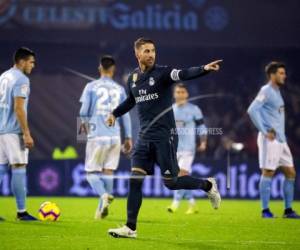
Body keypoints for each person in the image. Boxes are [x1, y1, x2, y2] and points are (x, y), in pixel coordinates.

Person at [107, 38, 222, 238]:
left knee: (171, 182)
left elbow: (184, 73)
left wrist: (203, 68)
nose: (151, 54)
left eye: (153, 51)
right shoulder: (132, 78)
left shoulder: (163, 73)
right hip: (144, 138)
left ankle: (207, 185)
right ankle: (130, 228)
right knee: (135, 179)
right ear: (137, 54)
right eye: (146, 51)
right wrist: (114, 113)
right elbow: (131, 101)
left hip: (164, 137)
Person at [79, 55, 132, 219]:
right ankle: (102, 210)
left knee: (91, 172)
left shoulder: (91, 86)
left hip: (97, 135)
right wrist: (128, 137)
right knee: (108, 171)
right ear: (113, 70)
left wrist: (85, 128)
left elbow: (83, 112)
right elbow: (126, 115)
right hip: (115, 136)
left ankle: (103, 195)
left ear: (100, 68)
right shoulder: (120, 89)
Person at [247, 61, 299, 219]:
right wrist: (264, 130)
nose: (285, 76)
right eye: (281, 73)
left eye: (284, 73)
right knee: (268, 172)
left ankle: (288, 210)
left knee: (290, 173)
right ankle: (265, 211)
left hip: (281, 140)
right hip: (270, 139)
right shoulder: (266, 90)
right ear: (272, 75)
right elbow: (252, 110)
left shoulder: (277, 91)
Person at [0, 47, 37, 220]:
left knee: (0, 169)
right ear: (22, 61)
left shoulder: (4, 76)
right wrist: (26, 133)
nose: (33, 65)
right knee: (19, 167)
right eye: (31, 62)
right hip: (13, 132)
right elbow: (19, 108)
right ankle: (21, 212)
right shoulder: (21, 79)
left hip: (1, 130)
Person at [167, 83, 208, 214]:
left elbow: (202, 127)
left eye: (182, 92)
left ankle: (175, 203)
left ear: (187, 94)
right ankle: (192, 203)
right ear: (174, 94)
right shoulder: (170, 110)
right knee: (179, 178)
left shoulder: (194, 109)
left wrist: (203, 142)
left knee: (181, 175)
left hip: (188, 149)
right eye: (177, 92)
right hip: (174, 149)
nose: (180, 94)